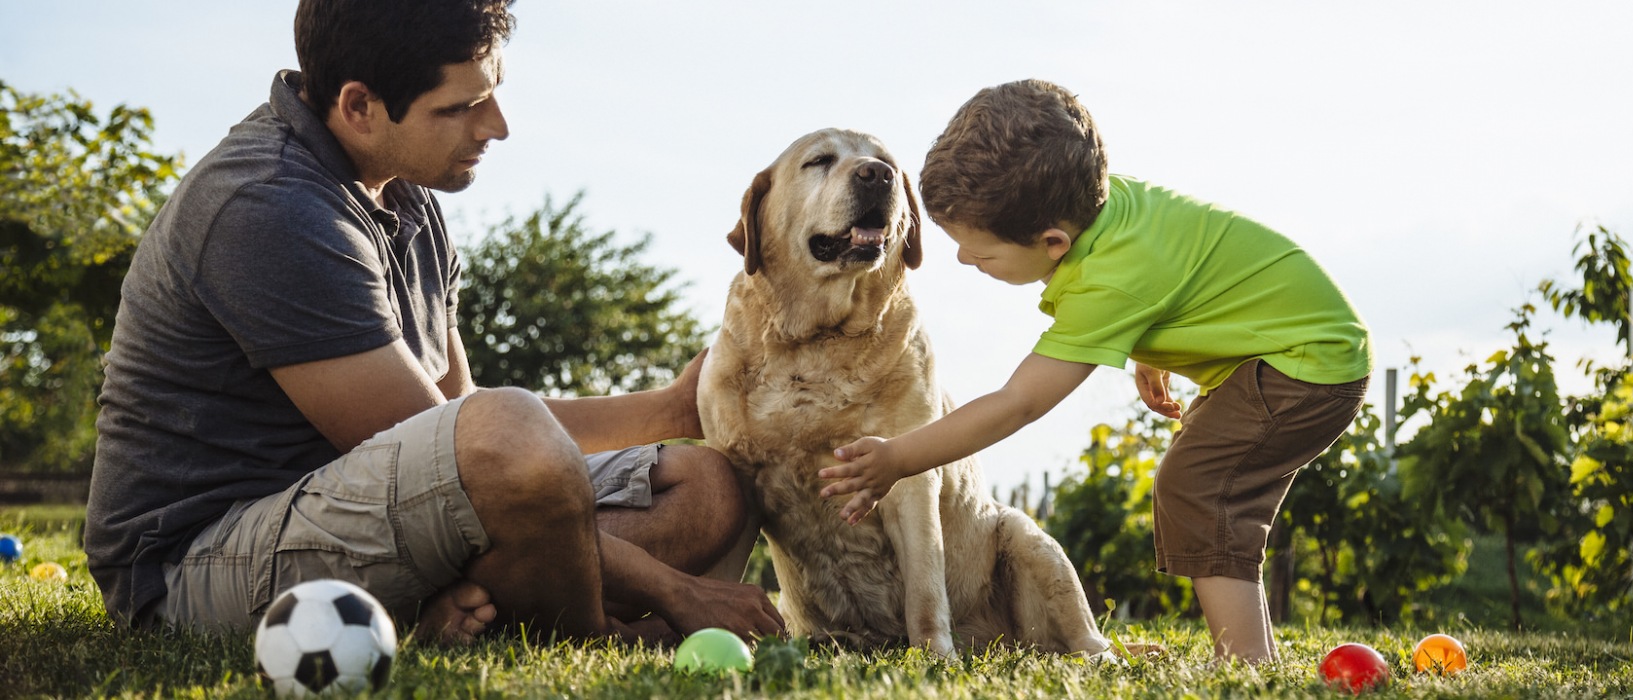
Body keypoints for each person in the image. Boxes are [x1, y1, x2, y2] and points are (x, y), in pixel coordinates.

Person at [85, 0, 782, 646]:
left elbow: (462, 424)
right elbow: (478, 457)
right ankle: (598, 631)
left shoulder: (406, 194)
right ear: (360, 105)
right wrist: (675, 589)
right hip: (195, 564)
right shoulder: (270, 205)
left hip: (378, 515)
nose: (497, 125)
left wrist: (670, 408)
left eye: (493, 92)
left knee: (707, 486)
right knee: (505, 437)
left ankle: (465, 604)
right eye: (465, 105)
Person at [818, 79, 1371, 664]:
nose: (963, 259)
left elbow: (1019, 403)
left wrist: (899, 459)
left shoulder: (1108, 281)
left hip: (1306, 366)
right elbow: (1185, 260)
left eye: (981, 252)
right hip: (1298, 350)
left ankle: (1248, 662)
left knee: (1201, 488)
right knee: (1210, 490)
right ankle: (1247, 652)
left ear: (1054, 241)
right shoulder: (1104, 210)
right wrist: (1151, 346)